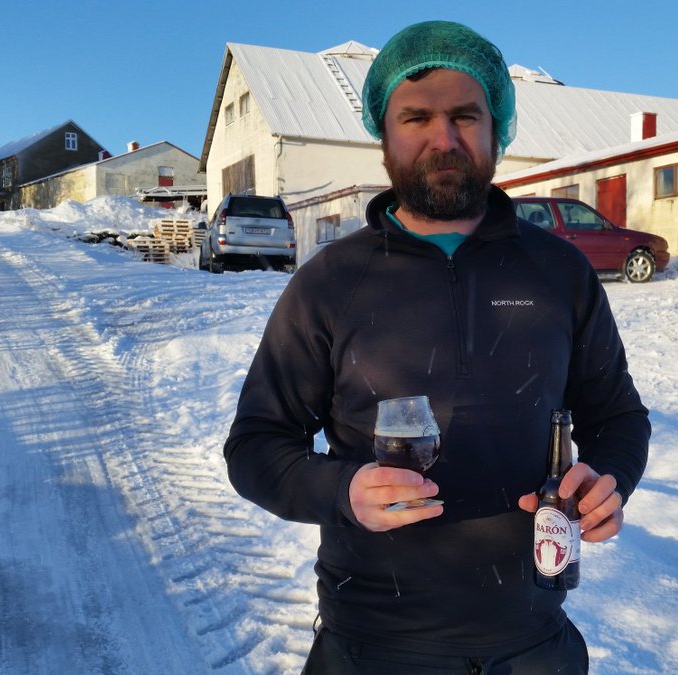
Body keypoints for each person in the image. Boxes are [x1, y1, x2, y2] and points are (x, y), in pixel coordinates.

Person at [224, 20, 650, 674]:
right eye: (416, 116)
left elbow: (618, 416)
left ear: (495, 128)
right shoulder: (330, 282)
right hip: (372, 645)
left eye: (464, 115)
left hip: (533, 643)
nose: (442, 137)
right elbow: (256, 445)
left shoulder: (558, 273)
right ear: (385, 132)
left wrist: (608, 478)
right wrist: (342, 489)